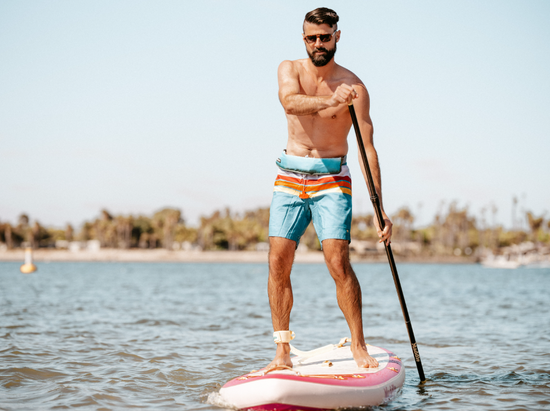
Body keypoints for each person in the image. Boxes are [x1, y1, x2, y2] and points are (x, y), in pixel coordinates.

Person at [267, 7, 393, 371]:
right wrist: (332, 101)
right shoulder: (289, 69)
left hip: (333, 178)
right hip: (290, 174)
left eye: (324, 37)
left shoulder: (356, 86)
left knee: (338, 261)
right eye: (311, 38)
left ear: (338, 35)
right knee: (278, 261)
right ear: (303, 39)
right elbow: (290, 102)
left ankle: (358, 345)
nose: (317, 44)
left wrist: (379, 207)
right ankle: (282, 352)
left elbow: (368, 148)